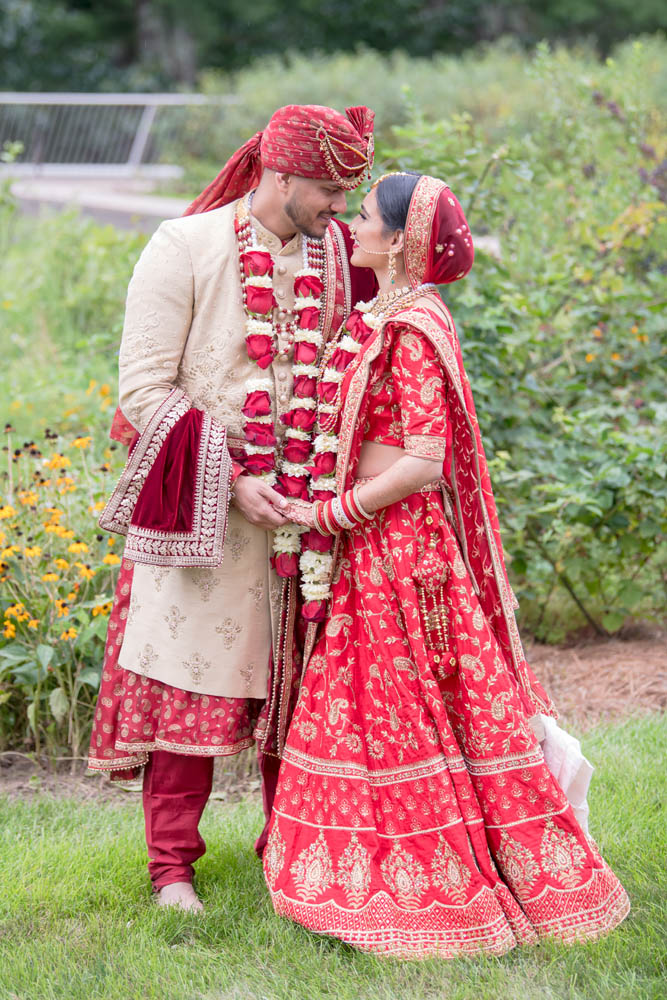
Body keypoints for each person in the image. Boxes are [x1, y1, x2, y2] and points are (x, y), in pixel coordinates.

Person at [262, 172, 630, 957]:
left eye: (363, 216)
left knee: (405, 702)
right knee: (372, 701)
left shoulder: (412, 327)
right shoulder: (381, 313)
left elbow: (424, 461)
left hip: (400, 550)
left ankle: (434, 884)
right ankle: (364, 866)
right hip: (376, 543)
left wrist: (332, 511)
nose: (350, 226)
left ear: (398, 240)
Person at [87, 105, 376, 912]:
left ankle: (290, 854)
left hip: (307, 521)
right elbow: (144, 389)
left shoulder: (340, 254)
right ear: (279, 174)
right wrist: (230, 477)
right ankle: (171, 871)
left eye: (349, 196)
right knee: (192, 684)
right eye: (327, 190)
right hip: (204, 514)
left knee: (305, 692)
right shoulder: (185, 247)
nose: (339, 210)